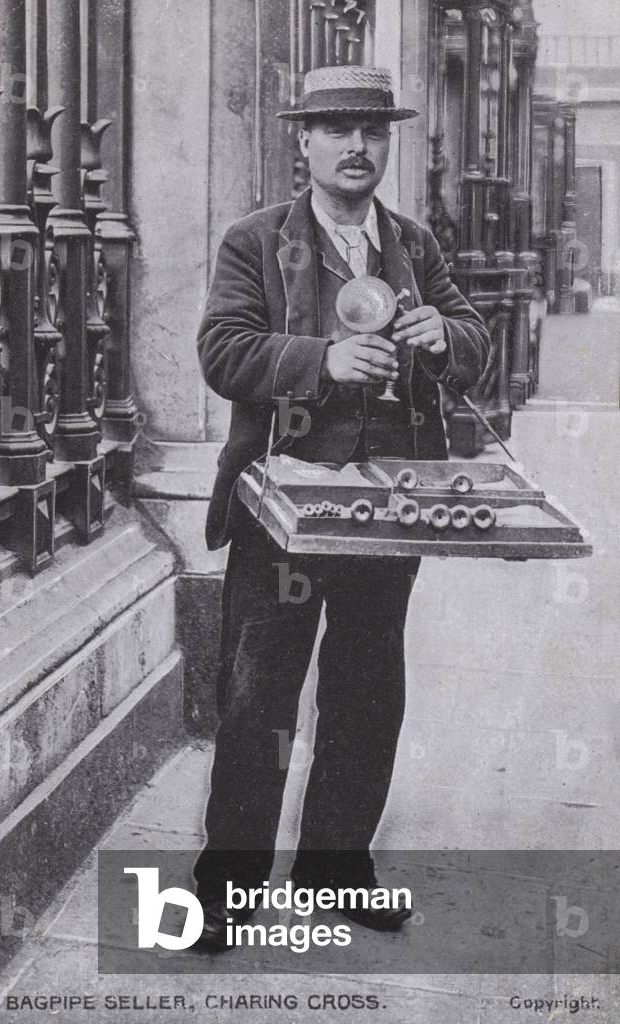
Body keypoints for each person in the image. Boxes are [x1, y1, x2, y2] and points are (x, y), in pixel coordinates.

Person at [193, 65, 490, 950]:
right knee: (259, 701)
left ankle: (335, 872)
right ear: (305, 142)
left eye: (371, 131)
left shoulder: (412, 245)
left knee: (366, 693)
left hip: (388, 509)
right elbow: (222, 349)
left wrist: (445, 338)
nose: (357, 147)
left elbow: (473, 336)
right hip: (281, 509)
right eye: (337, 130)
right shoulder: (257, 240)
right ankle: (228, 890)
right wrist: (321, 360)